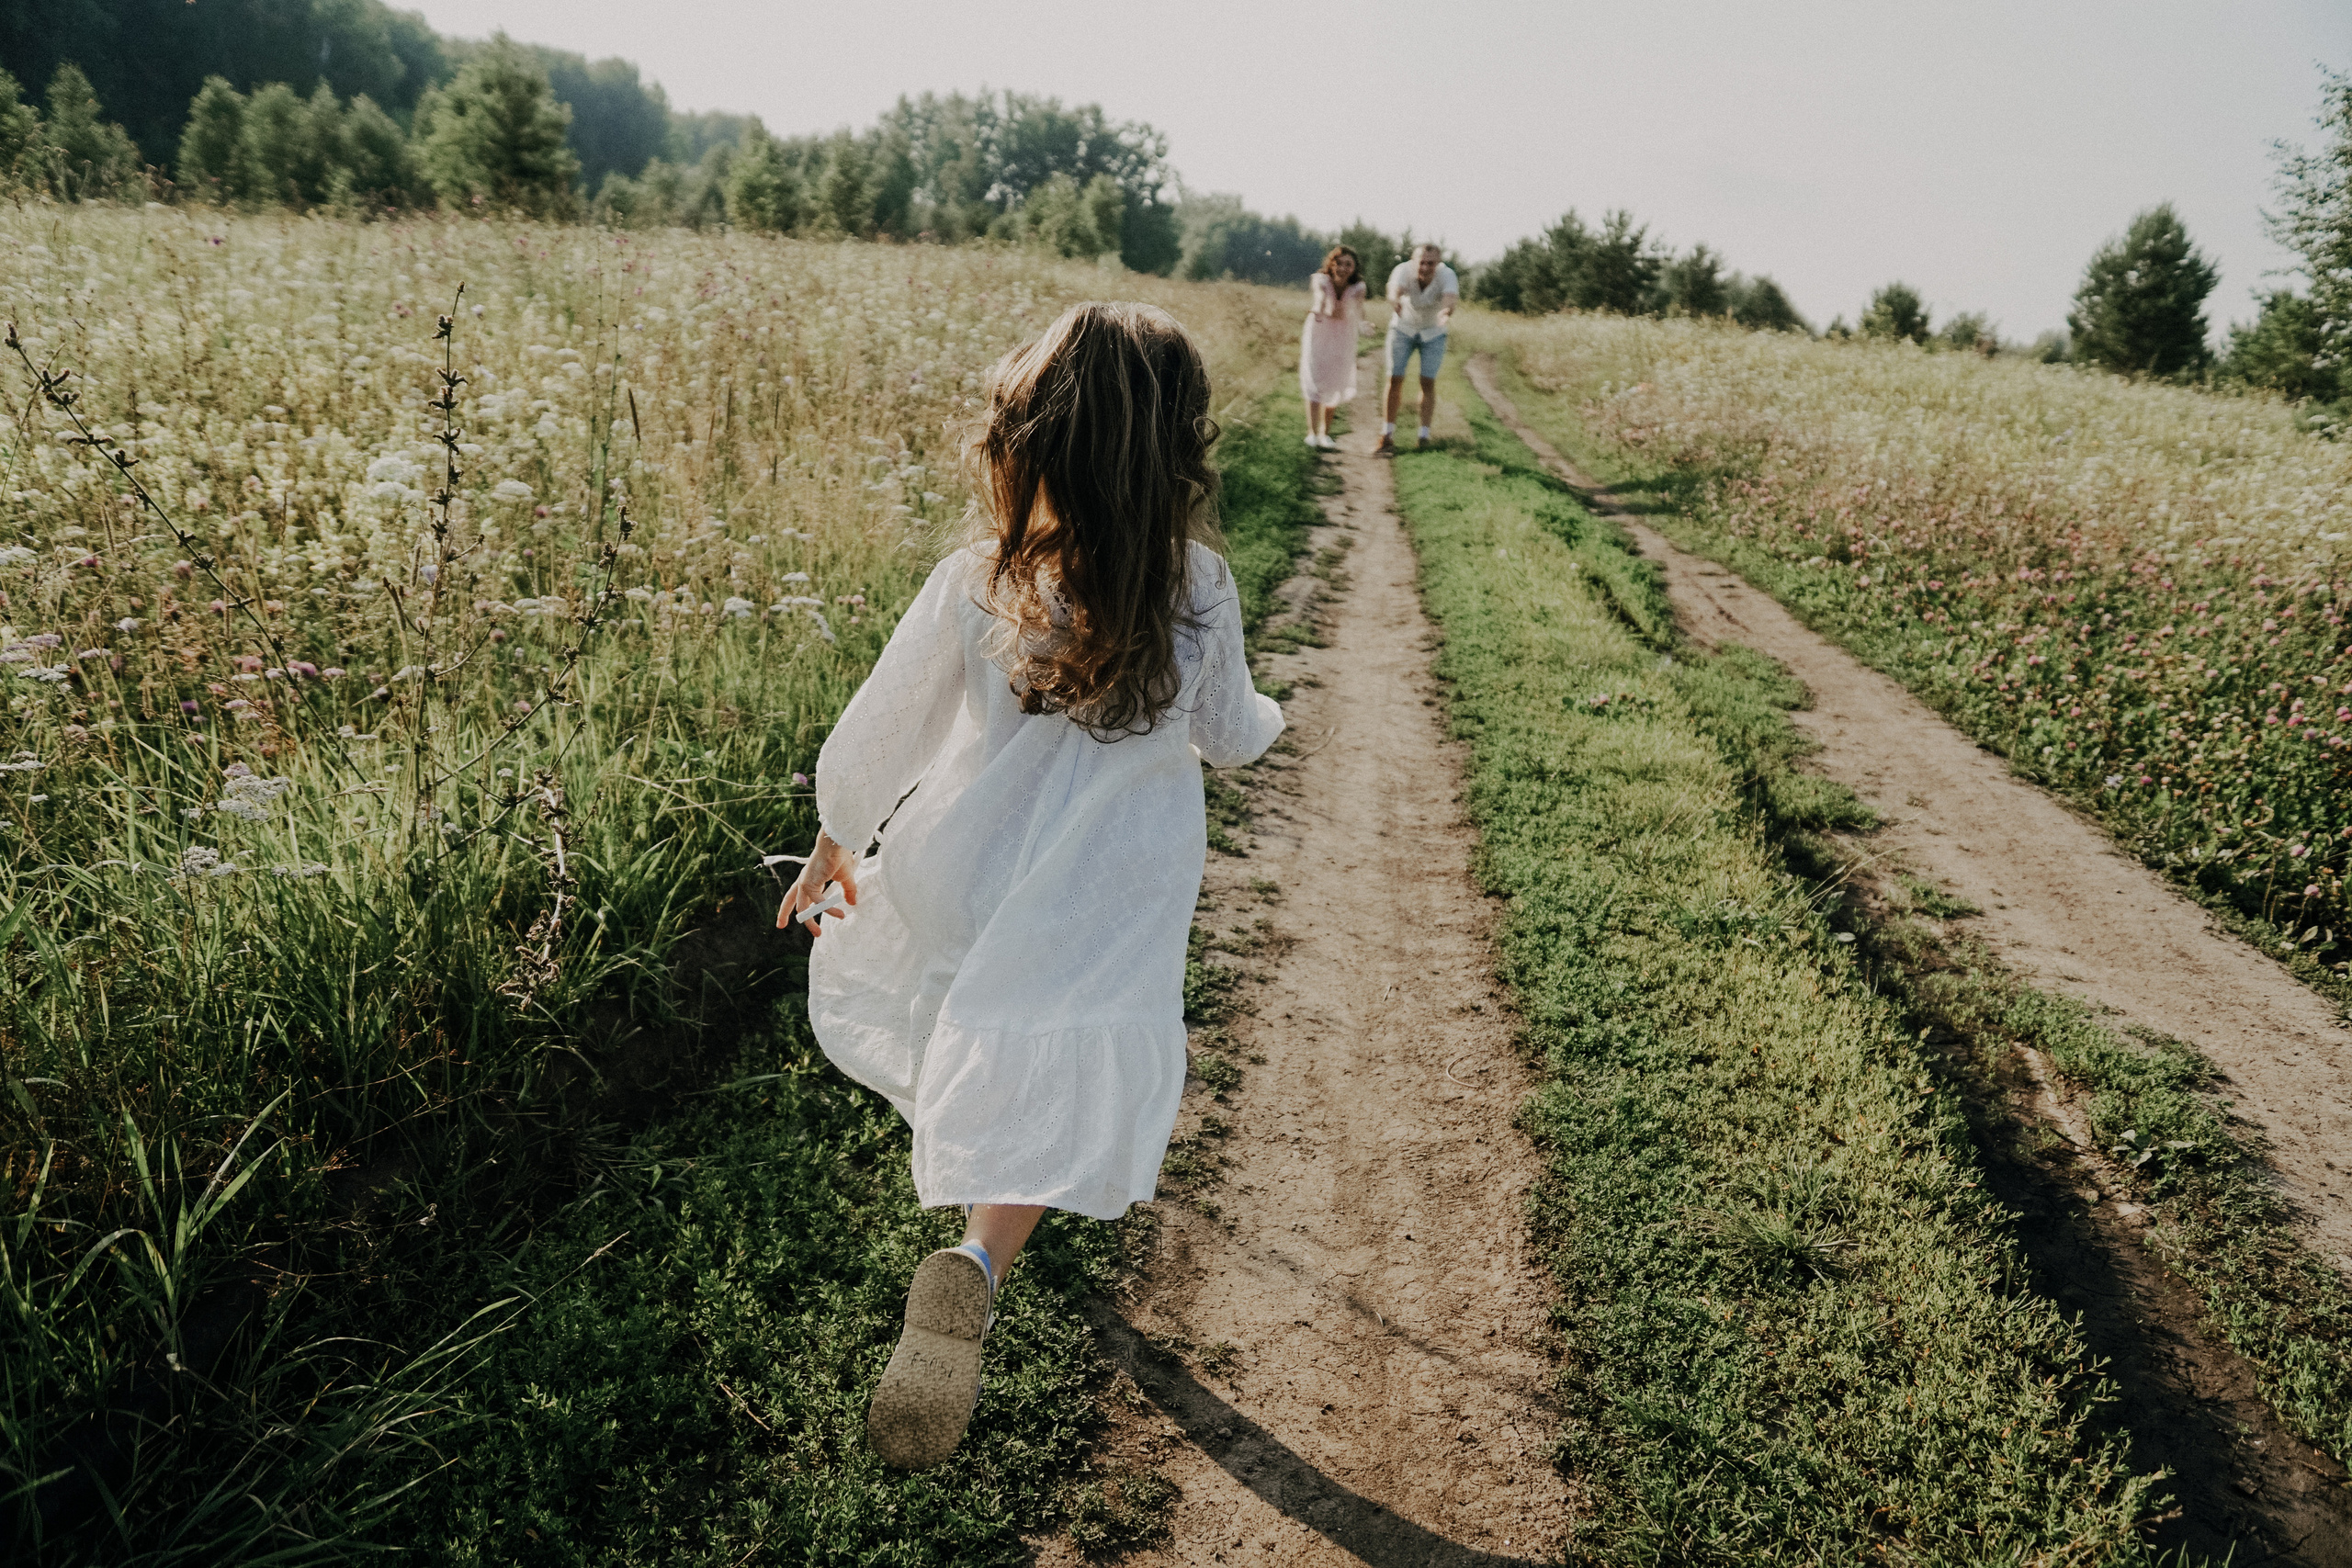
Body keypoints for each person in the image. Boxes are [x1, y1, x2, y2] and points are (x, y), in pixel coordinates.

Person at [778, 301, 1286, 1472]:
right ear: (1176, 451)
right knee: (1051, 1054)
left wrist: (838, 836)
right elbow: (1226, 734)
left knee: (966, 1017)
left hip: (963, 861)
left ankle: (973, 1187)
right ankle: (980, 1257)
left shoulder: (979, 576)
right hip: (1103, 892)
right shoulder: (1196, 585)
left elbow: (884, 726)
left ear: (1029, 440)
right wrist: (1268, 715)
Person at [1379, 243, 1460, 456]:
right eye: (1421, 262)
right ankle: (1386, 435)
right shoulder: (1402, 270)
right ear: (1413, 261)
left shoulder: (1447, 275)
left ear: (1438, 263)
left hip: (1433, 332)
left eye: (1430, 263)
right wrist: (1395, 300)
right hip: (1403, 328)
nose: (1425, 267)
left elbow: (1450, 298)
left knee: (1427, 381)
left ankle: (1423, 437)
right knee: (1394, 378)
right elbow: (1393, 290)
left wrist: (1445, 312)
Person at [1298, 244, 1367, 450]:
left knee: (1334, 381)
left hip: (1343, 336)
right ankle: (1312, 433)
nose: (1343, 268)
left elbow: (1357, 309)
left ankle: (1325, 433)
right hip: (1319, 332)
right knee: (1314, 379)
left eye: (1348, 264)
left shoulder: (1358, 287)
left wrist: (1364, 324)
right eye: (1339, 263)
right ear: (1331, 264)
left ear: (1354, 268)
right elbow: (1321, 298)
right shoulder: (1320, 279)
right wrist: (1319, 308)